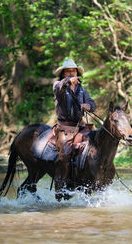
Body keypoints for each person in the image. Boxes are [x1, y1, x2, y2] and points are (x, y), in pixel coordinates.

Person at [52, 58, 96, 199]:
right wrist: (69, 82)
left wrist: (88, 106)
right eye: (68, 71)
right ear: (63, 74)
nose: (71, 73)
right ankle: (60, 186)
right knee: (64, 154)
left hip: (80, 126)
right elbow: (60, 87)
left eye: (73, 71)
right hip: (65, 127)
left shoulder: (82, 90)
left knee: (95, 146)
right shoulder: (58, 85)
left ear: (77, 72)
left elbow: (91, 102)